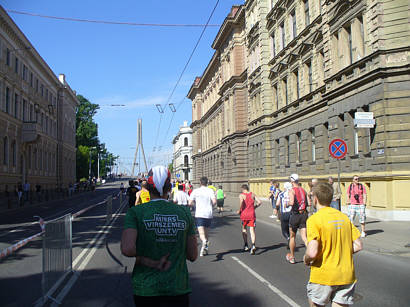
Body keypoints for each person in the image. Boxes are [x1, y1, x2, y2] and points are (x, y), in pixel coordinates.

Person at [121, 165, 198, 306]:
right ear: (170, 188)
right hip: (177, 288)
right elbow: (193, 255)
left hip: (146, 289)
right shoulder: (184, 213)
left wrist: (148, 259)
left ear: (147, 188)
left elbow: (127, 249)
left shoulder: (135, 213)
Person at [304, 182, 363, 307]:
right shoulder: (344, 217)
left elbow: (312, 252)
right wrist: (340, 250)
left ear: (315, 199)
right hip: (346, 275)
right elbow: (358, 245)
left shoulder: (314, 220)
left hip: (323, 276)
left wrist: (306, 259)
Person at [189, 176, 216, 257]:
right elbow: (214, 201)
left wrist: (195, 205)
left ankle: (204, 241)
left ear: (200, 183)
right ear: (207, 183)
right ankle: (205, 249)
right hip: (208, 214)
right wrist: (210, 206)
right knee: (207, 233)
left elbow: (190, 202)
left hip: (199, 213)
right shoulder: (210, 191)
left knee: (201, 233)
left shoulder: (196, 191)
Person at [287, 174, 309, 264]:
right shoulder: (303, 190)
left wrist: (287, 204)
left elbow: (292, 202)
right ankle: (310, 256)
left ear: (292, 181)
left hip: (295, 215)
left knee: (292, 237)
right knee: (304, 237)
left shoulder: (292, 191)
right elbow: (309, 202)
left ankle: (292, 257)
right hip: (303, 214)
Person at [237, 184, 261, 255]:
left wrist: (239, 210)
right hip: (252, 214)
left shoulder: (241, 195)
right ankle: (253, 245)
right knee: (252, 230)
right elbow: (259, 202)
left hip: (244, 214)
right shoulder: (252, 194)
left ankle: (246, 245)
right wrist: (254, 207)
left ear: (243, 189)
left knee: (244, 229)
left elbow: (241, 202)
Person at [276, 182, 293, 249]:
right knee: (291, 228)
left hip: (284, 213)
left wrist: (277, 210)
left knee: (284, 229)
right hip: (292, 213)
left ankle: (288, 237)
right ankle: (291, 239)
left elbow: (277, 204)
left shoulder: (281, 194)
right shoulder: (292, 194)